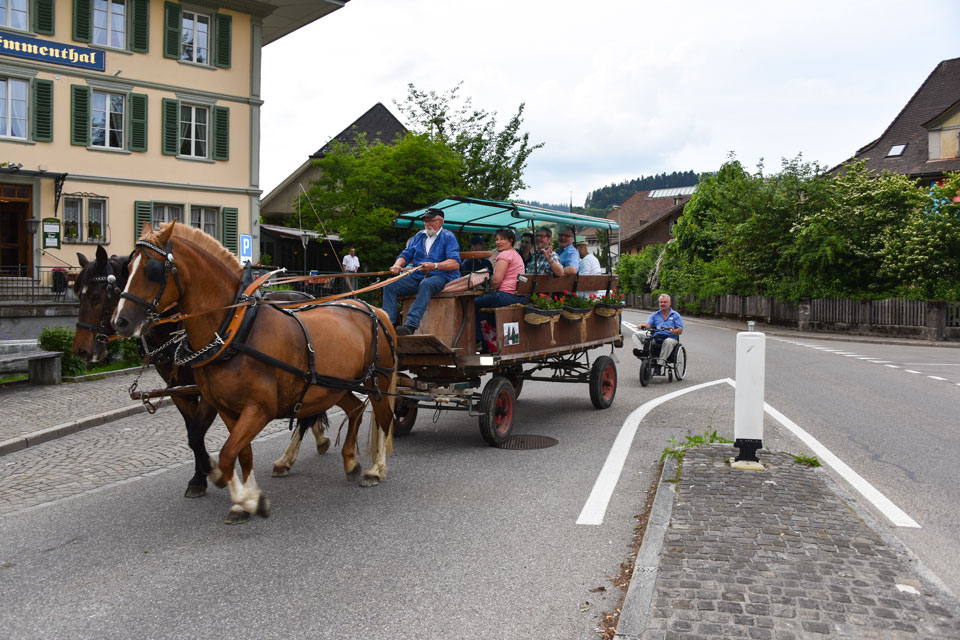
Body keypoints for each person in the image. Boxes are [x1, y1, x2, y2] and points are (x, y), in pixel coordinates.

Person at [383, 208, 461, 335]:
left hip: (441, 276)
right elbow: (406, 255)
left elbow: (455, 263)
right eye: (425, 221)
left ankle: (410, 325)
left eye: (431, 220)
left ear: (441, 221)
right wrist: (397, 265)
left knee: (426, 284)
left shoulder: (448, 237)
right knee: (389, 285)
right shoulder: (418, 236)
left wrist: (434, 266)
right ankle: (387, 326)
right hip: (418, 275)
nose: (427, 224)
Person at [474, 228, 526, 352]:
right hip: (516, 296)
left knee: (471, 303)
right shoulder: (515, 254)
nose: (498, 242)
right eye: (497, 239)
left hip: (504, 296)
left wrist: (485, 287)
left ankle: (477, 341)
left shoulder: (505, 255)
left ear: (511, 240)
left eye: (502, 239)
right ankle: (492, 340)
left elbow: (496, 281)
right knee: (484, 307)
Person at [640, 294, 683, 370]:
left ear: (669, 303)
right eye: (661, 302)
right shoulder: (655, 315)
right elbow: (648, 324)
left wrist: (674, 331)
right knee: (637, 335)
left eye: (665, 302)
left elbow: (680, 330)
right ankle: (642, 353)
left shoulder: (676, 315)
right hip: (656, 337)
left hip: (670, 338)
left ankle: (659, 365)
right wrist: (643, 326)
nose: (662, 304)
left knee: (668, 341)